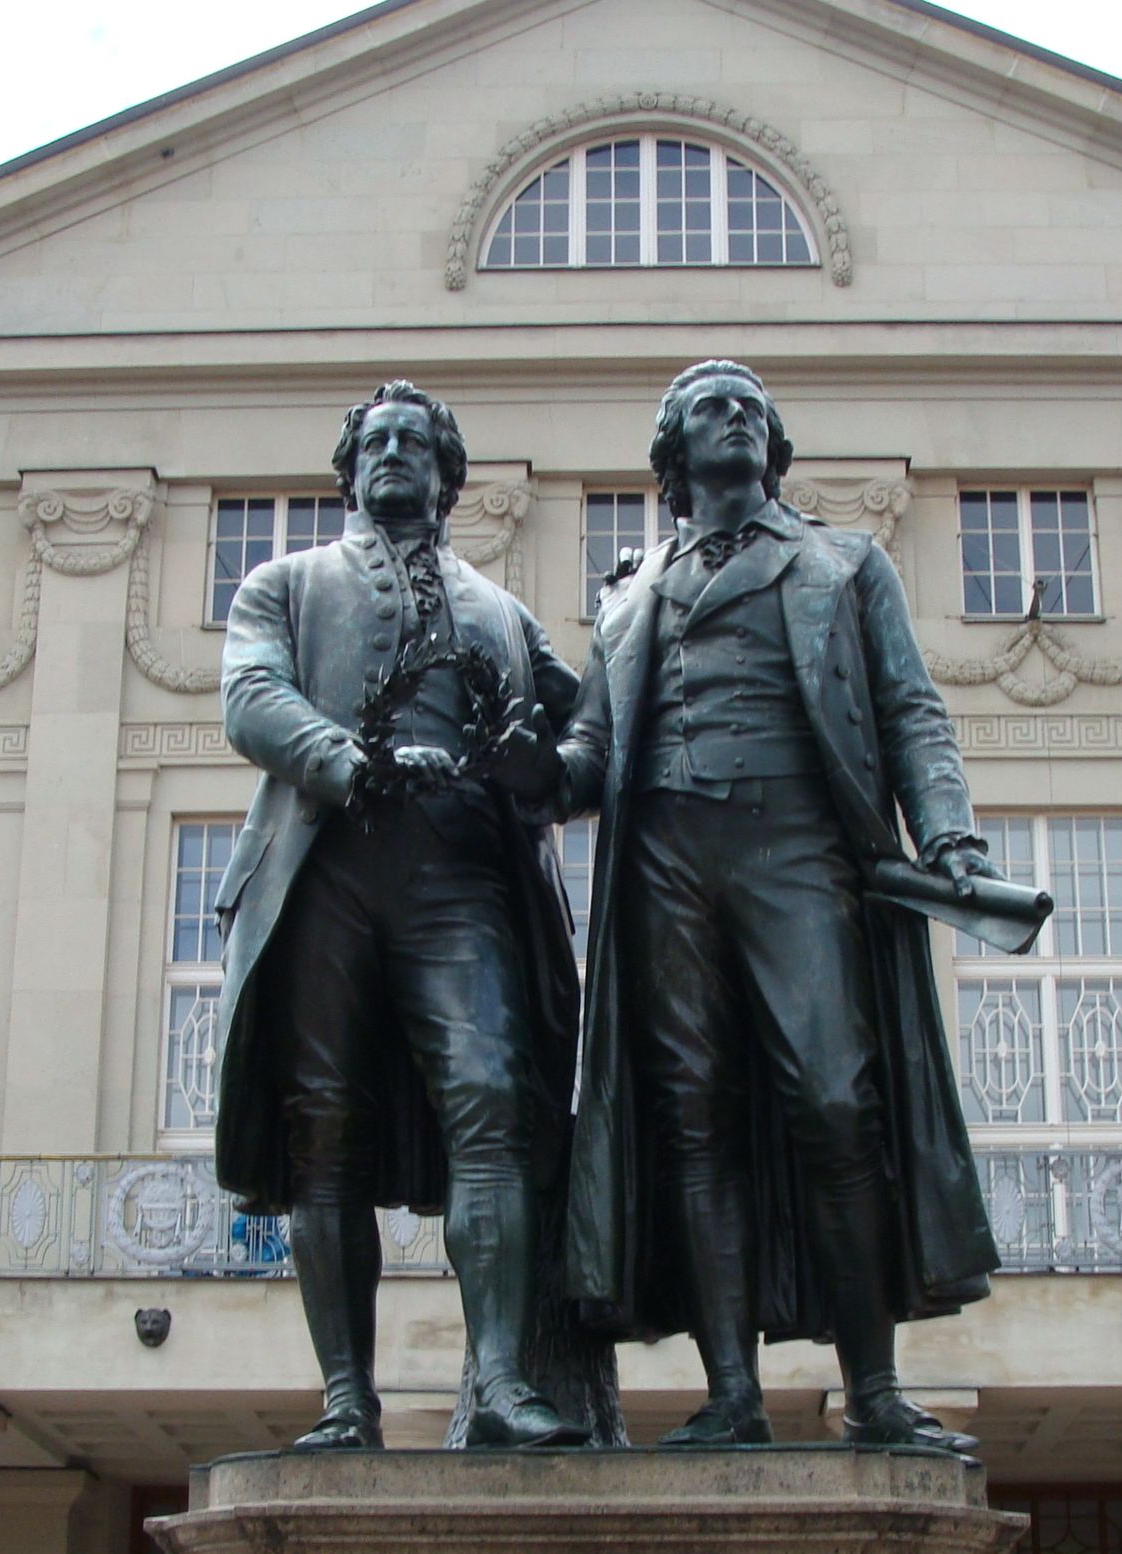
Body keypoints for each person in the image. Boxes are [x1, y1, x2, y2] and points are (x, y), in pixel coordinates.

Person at [540, 359, 1004, 1453]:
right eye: (712, 406)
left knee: (838, 1104)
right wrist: (529, 771)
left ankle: (876, 1391)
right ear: (673, 451)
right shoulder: (631, 588)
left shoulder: (844, 562)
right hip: (664, 855)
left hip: (797, 844)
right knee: (692, 1120)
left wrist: (948, 833)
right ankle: (731, 1395)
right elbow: (592, 754)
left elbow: (911, 712)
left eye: (752, 408)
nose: (736, 417)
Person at [215, 380, 587, 1450]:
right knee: (324, 1132)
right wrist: (351, 760)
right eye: (375, 442)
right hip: (329, 869)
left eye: (413, 442)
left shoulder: (504, 612)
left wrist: (546, 761)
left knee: (490, 1104)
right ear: (350, 471)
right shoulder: (284, 583)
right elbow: (250, 697)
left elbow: (589, 734)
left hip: (461, 880)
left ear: (446, 474)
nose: (392, 455)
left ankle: (504, 1382)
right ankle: (346, 1398)